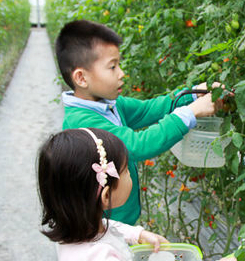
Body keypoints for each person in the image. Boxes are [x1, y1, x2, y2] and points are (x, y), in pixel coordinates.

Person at [37, 128, 242, 261]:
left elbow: (109, 225)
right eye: (126, 171)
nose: (130, 173)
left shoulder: (73, 229)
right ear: (106, 195)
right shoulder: (98, 260)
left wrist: (137, 234)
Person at [55, 19, 229, 225]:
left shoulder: (110, 104)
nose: (121, 74)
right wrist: (190, 113)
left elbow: (149, 109)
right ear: (81, 78)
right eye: (112, 67)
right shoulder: (83, 124)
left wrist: (193, 93)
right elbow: (138, 145)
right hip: (103, 227)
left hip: (122, 219)